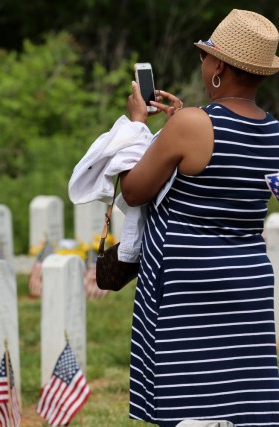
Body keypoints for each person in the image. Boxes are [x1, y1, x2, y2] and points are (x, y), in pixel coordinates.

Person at [119, 9, 279, 426]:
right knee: (239, 396)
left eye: (206, 57)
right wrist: (179, 126)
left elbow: (134, 190)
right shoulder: (274, 132)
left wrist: (136, 127)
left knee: (190, 399)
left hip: (189, 280)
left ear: (220, 68)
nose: (203, 63)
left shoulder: (193, 124)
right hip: (247, 279)